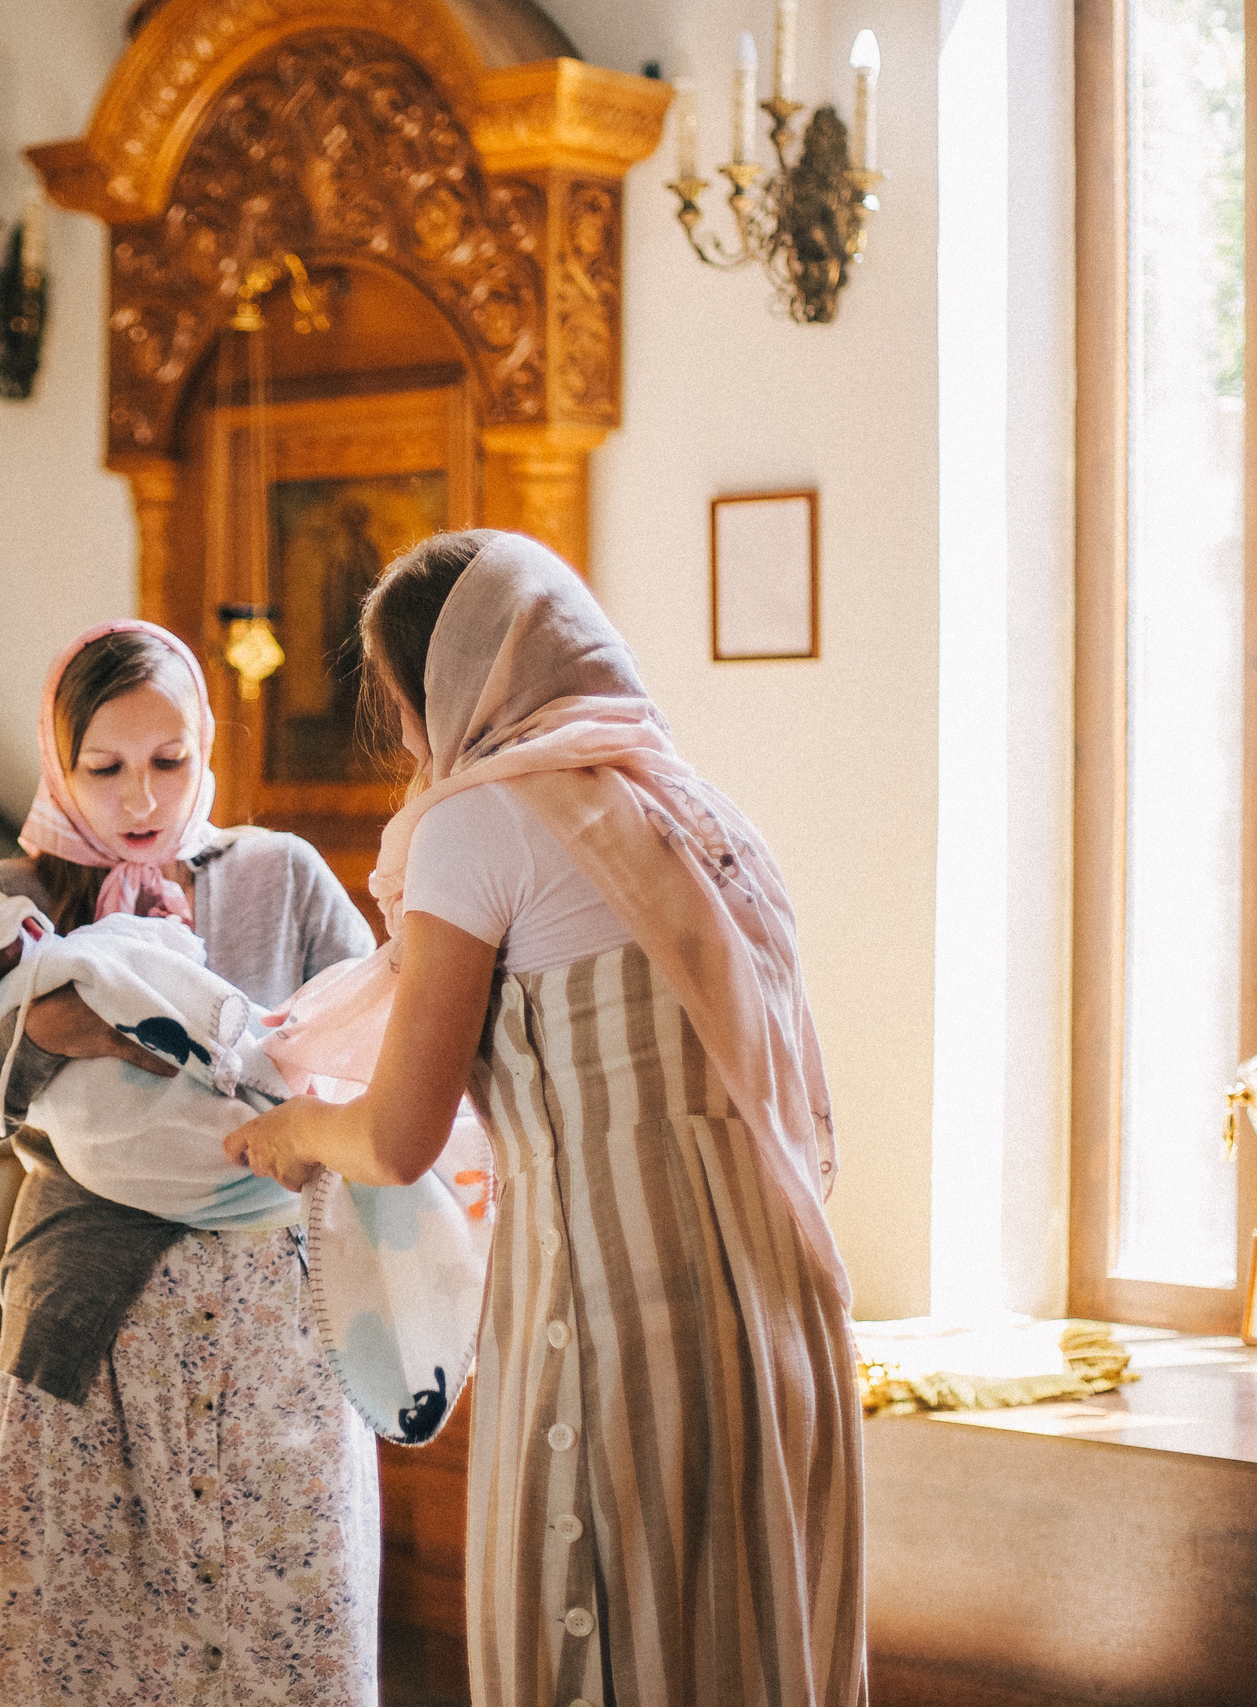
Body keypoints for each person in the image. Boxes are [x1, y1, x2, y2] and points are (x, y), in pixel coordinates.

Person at [227, 531, 867, 1707]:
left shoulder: (483, 824)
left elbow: (396, 1136)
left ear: (440, 692)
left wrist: (294, 1134)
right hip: (777, 1298)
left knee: (609, 1653)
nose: (409, 743)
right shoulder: (692, 808)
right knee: (740, 1649)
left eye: (400, 707)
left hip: (614, 1307)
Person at [0, 619, 380, 1704]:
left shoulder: (280, 879)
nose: (142, 801)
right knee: (85, 1659)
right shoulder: (9, 905)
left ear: (208, 744)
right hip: (91, 1339)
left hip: (279, 1338)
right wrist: (40, 1037)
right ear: (56, 764)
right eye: (104, 768)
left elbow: (385, 1066)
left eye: (170, 762)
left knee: (285, 1643)